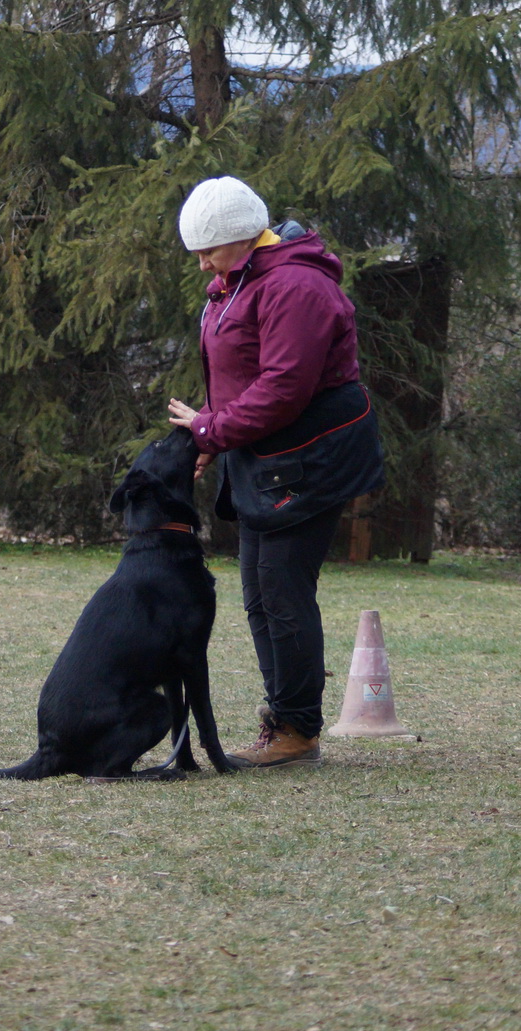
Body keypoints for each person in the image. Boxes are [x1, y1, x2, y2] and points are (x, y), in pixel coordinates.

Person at [166, 176, 385, 768]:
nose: (203, 263)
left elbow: (284, 387)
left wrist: (212, 428)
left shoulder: (294, 286)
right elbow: (242, 374)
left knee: (284, 594)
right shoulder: (236, 283)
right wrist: (214, 429)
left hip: (309, 460)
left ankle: (297, 730)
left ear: (243, 237)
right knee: (260, 596)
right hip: (264, 459)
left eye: (209, 250)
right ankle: (284, 719)